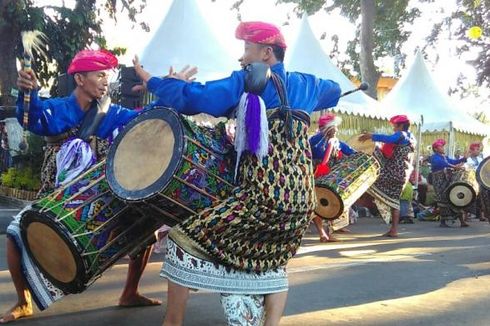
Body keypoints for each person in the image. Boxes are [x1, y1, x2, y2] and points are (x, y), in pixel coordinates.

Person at [133, 21, 341, 325]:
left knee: (181, 238)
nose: (242, 58)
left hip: (262, 198)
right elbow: (333, 90)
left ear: (267, 52)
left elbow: (194, 98)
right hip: (302, 202)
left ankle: (172, 322)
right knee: (274, 258)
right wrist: (318, 92)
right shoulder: (307, 83)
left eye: (247, 49)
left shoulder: (246, 82)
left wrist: (152, 81)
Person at [0, 50, 160, 324]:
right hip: (58, 192)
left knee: (147, 229)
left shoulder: (110, 112)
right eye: (99, 76)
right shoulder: (58, 108)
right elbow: (31, 118)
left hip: (97, 190)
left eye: (106, 76)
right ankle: (23, 301)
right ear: (80, 79)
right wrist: (29, 94)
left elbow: (144, 116)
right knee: (16, 233)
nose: (104, 82)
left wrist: (164, 89)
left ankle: (129, 292)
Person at [359, 115, 415, 237]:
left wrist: (371, 136)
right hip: (403, 174)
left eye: (395, 126)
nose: (394, 128)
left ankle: (371, 205)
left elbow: (389, 139)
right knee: (395, 201)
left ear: (400, 126)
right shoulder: (412, 137)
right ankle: (393, 229)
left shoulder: (402, 135)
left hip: (393, 172)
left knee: (367, 179)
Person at [309, 112, 356, 242]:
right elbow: (311, 146)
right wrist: (324, 134)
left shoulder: (337, 142)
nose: (337, 130)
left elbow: (352, 152)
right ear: (327, 128)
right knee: (317, 205)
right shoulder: (314, 139)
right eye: (334, 127)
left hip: (331, 178)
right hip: (316, 175)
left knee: (330, 205)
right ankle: (322, 233)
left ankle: (326, 233)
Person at [428, 138, 469, 227]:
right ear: (435, 149)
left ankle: (462, 222)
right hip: (439, 182)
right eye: (441, 146)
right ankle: (443, 222)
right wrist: (454, 166)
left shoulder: (444, 157)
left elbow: (453, 161)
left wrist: (464, 159)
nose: (443, 148)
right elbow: (441, 164)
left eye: (443, 146)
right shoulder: (434, 157)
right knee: (443, 200)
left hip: (446, 180)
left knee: (455, 197)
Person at [464, 142, 487, 221]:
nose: (478, 151)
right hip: (470, 180)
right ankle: (466, 216)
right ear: (471, 150)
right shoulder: (467, 159)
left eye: (478, 150)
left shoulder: (481, 159)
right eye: (476, 149)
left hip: (480, 181)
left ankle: (481, 215)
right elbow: (466, 169)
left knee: (481, 198)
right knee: (469, 197)